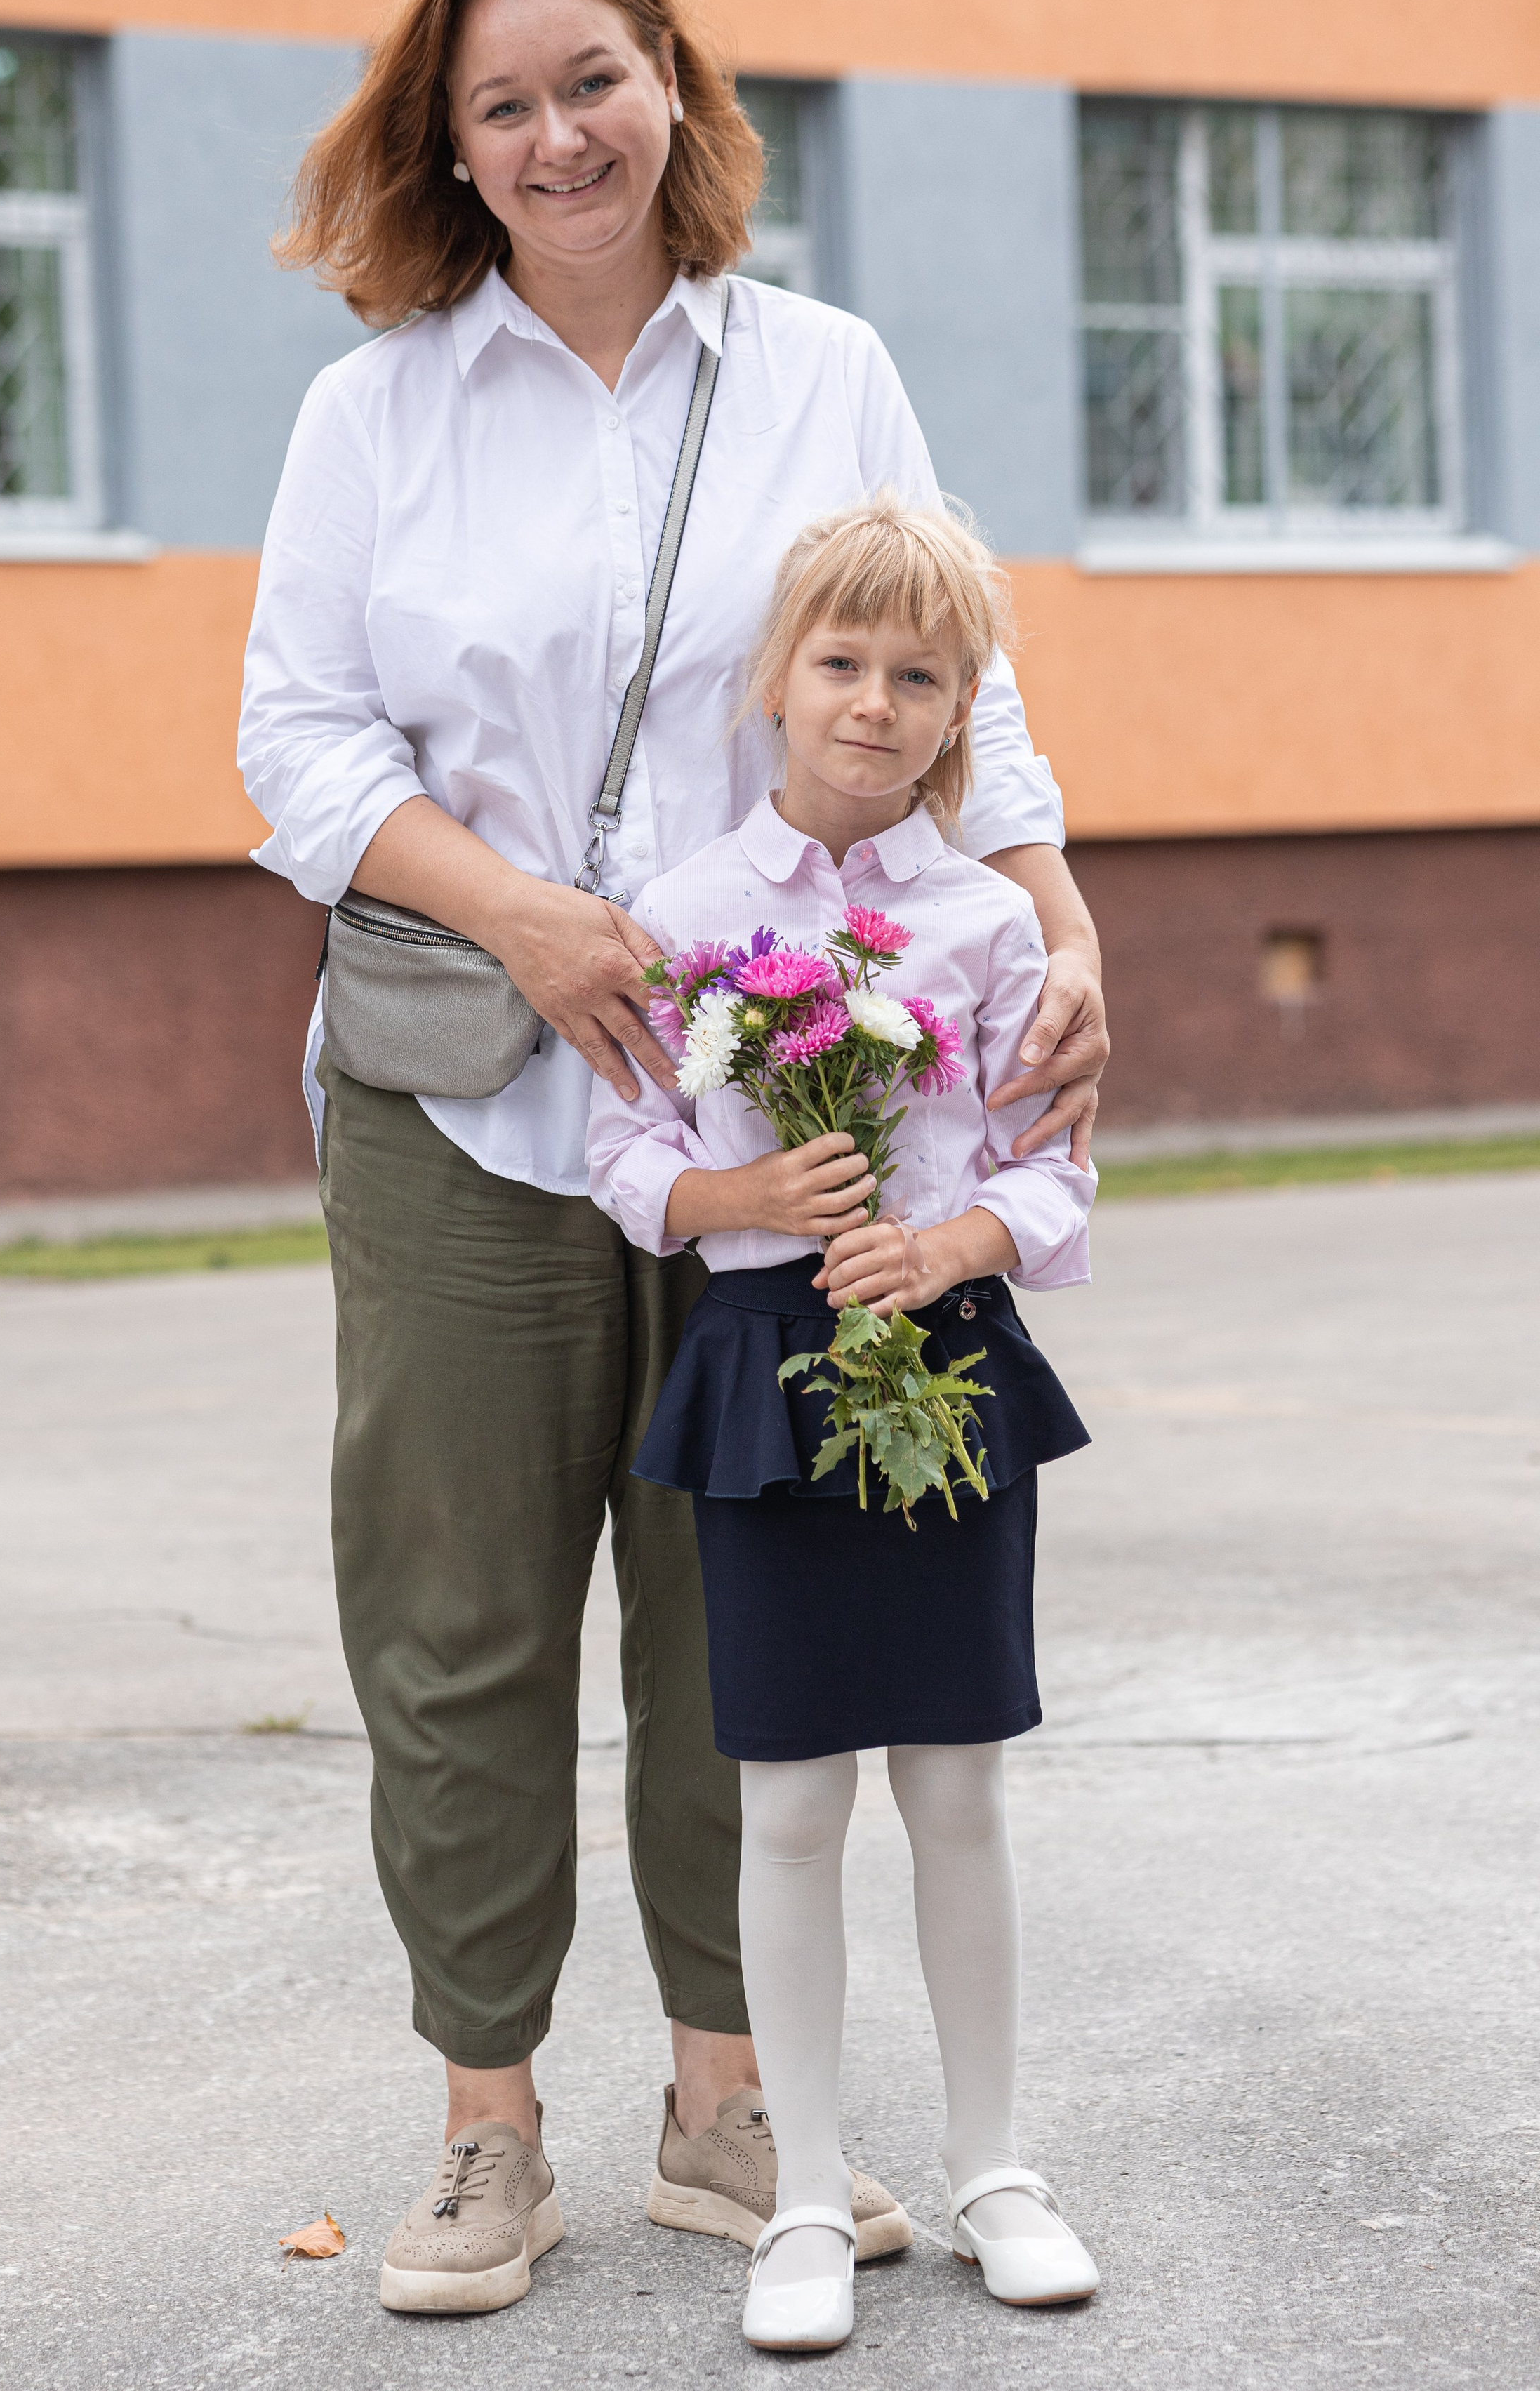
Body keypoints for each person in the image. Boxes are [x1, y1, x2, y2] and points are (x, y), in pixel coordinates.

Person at [237, 0, 1109, 2317]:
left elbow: (966, 681)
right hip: (477, 1112)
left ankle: (737, 2113)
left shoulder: (823, 369)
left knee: (748, 1610)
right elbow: (297, 749)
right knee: (461, 1619)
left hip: (799, 1111)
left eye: (592, 80)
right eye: (500, 103)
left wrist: (1063, 919)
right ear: (453, 145)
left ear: (676, 92)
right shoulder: (378, 408)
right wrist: (521, 912)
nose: (555, 135)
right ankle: (484, 2129)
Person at [586, 494, 1101, 2352]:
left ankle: (996, 2169)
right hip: (763, 1384)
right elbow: (625, 1156)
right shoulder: (689, 917)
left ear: (961, 711)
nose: (874, 705)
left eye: (918, 678)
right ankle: (803, 2195)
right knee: (791, 1796)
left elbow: (1058, 1184)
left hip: (942, 1366)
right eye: (842, 666)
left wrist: (958, 1232)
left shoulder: (987, 923)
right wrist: (747, 1204)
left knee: (955, 1784)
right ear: (777, 681)